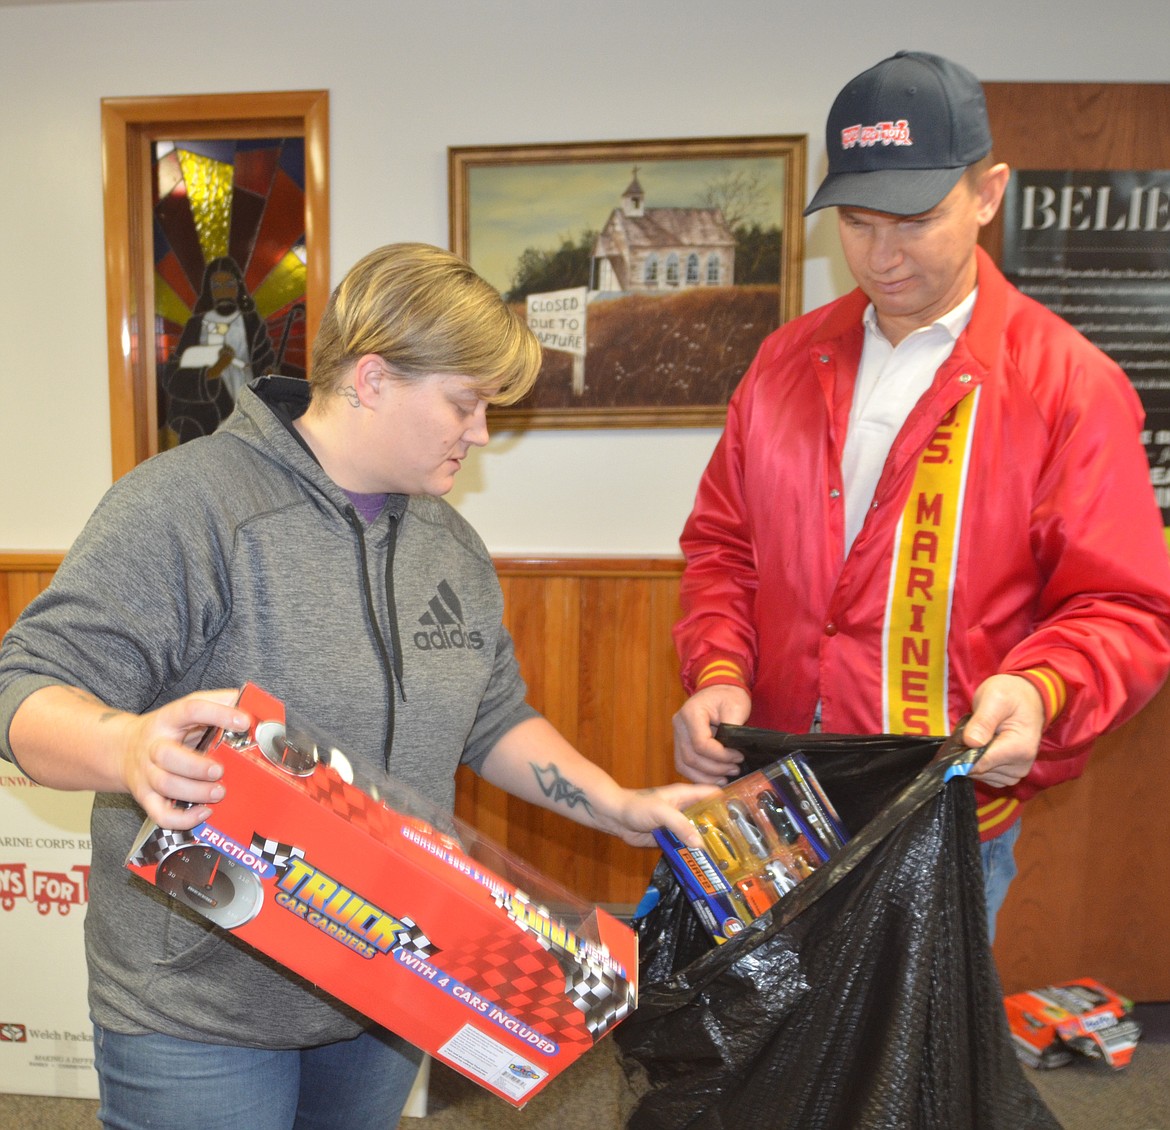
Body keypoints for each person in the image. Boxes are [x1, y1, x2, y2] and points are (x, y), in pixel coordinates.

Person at [0, 242, 714, 1130]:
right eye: (466, 402)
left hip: (389, 985)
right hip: (203, 1004)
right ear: (372, 378)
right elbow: (26, 687)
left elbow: (490, 720)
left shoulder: (448, 544)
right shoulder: (188, 507)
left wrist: (615, 804)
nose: (482, 431)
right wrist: (124, 745)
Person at [670, 50, 1170, 939]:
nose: (883, 253)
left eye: (916, 218)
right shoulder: (786, 360)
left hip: (941, 821)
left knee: (911, 1077)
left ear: (989, 193)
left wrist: (1043, 689)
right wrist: (717, 671)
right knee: (765, 1063)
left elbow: (1124, 608)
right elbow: (723, 547)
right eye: (858, 223)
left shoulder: (1069, 386)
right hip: (779, 806)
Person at [161, 256, 277, 443]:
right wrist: (213, 372)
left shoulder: (251, 323)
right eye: (216, 286)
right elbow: (173, 376)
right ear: (209, 291)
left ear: (239, 287)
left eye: (229, 284)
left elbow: (264, 363)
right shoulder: (197, 325)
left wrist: (269, 373)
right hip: (206, 412)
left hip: (246, 410)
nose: (224, 292)